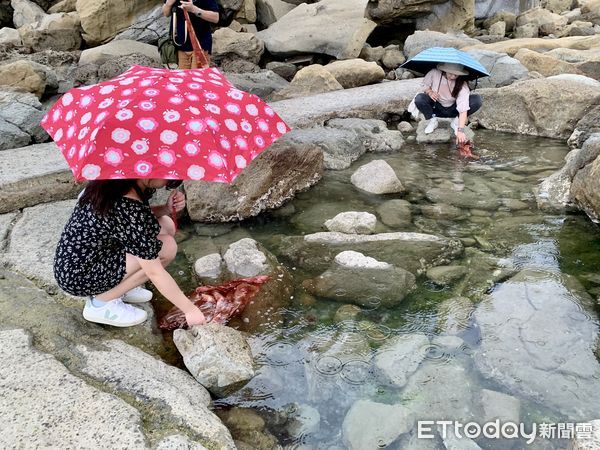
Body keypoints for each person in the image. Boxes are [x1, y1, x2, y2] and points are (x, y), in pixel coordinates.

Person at [54, 179, 206, 328]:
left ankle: (122, 286)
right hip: (80, 275)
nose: (169, 183)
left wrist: (166, 208)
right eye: (169, 178)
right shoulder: (126, 204)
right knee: (167, 248)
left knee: (166, 225)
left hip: (88, 257)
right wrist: (189, 309)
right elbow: (155, 272)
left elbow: (134, 220)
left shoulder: (115, 182)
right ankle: (101, 303)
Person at [414, 62, 482, 144]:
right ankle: (432, 121)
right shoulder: (434, 72)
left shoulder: (462, 84)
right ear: (444, 70)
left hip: (453, 110)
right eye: (451, 74)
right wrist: (430, 92)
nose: (453, 77)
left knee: (477, 100)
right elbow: (424, 85)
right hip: (436, 108)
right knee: (420, 98)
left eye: (456, 75)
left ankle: (455, 122)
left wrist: (460, 130)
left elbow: (463, 108)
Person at [162, 0, 220, 69]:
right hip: (180, 45)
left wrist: (194, 9)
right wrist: (168, 3)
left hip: (200, 45)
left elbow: (215, 18)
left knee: (197, 78)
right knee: (183, 78)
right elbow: (166, 13)